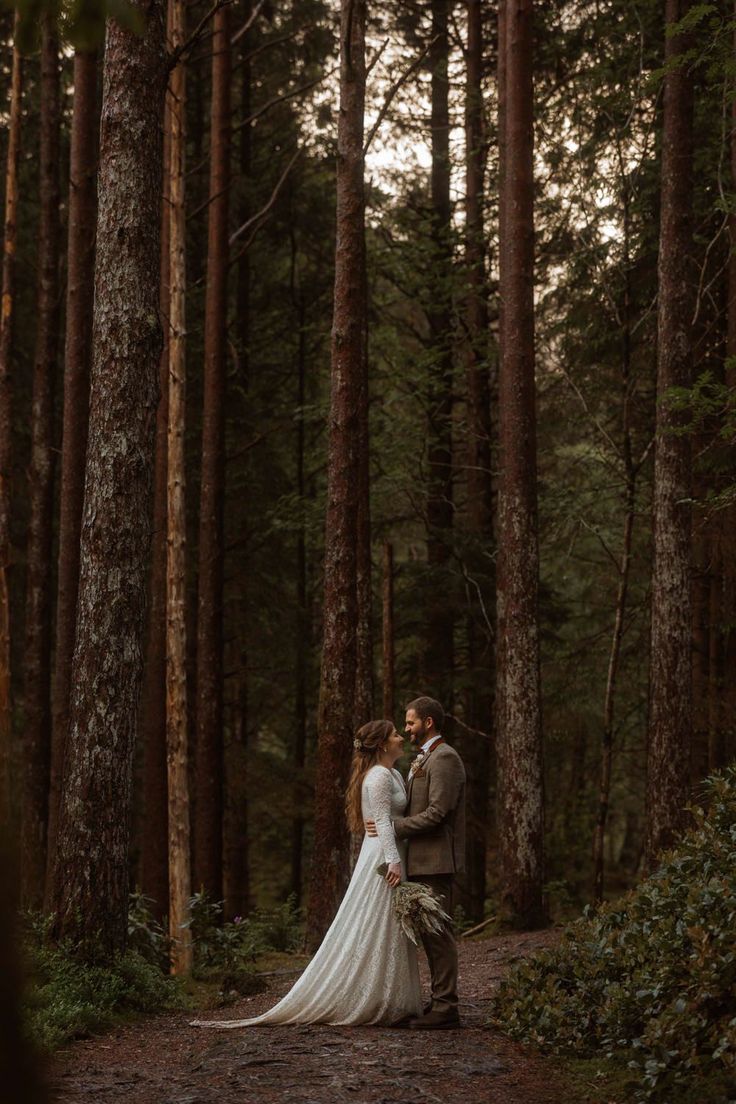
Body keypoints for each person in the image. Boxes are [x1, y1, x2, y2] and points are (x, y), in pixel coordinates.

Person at [190, 719, 422, 1028]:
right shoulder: (378, 775)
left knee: (389, 923)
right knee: (377, 920)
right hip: (383, 856)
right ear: (381, 745)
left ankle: (389, 994)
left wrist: (415, 772)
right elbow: (381, 821)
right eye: (395, 735)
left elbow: (395, 809)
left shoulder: (391, 772)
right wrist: (393, 862)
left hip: (389, 851)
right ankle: (370, 996)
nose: (400, 738)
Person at [366, 696, 466, 1030]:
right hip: (419, 859)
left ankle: (446, 1007)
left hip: (436, 859)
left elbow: (438, 814)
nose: (406, 729)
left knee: (439, 934)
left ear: (428, 722)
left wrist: (391, 827)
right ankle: (439, 1000)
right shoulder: (425, 758)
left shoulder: (445, 758)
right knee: (428, 934)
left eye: (410, 723)